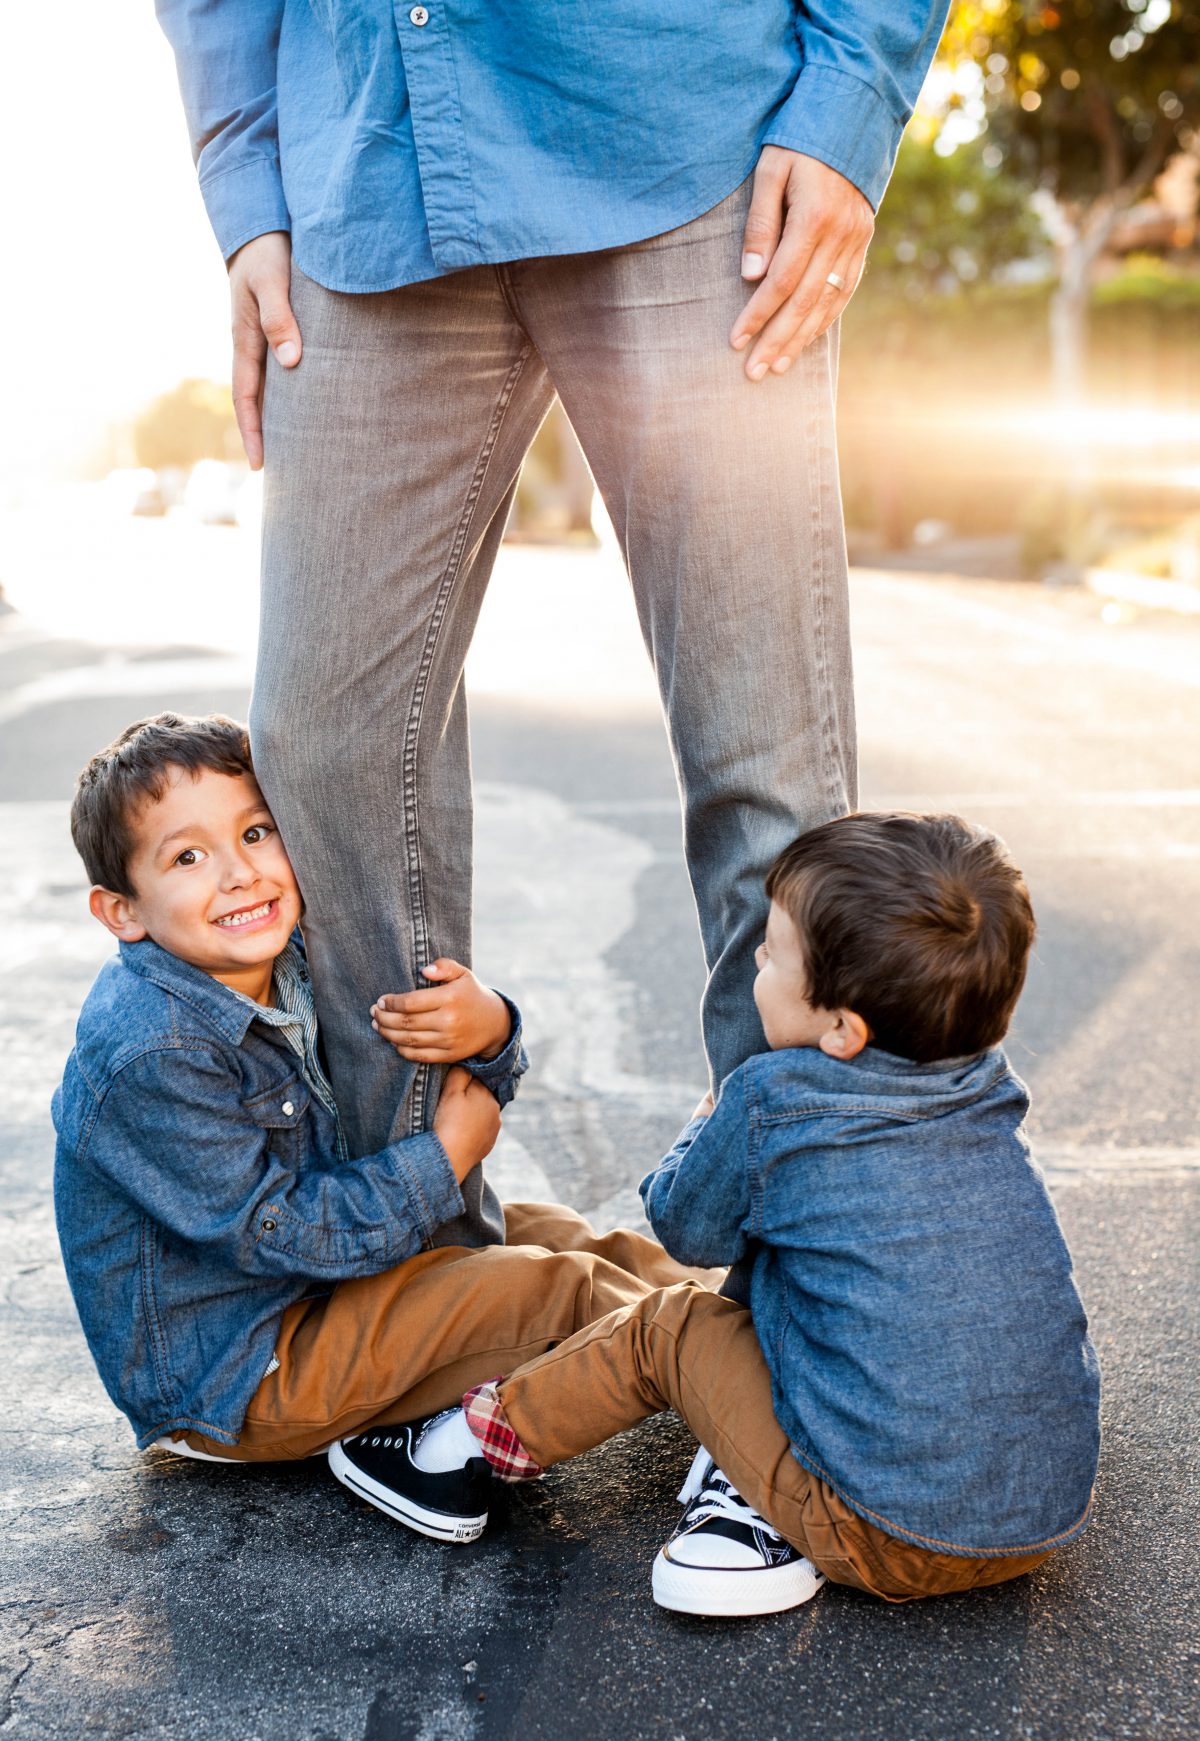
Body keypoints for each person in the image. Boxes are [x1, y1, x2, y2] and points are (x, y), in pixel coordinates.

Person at [155, 0, 953, 1246]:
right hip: (366, 176)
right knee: (325, 752)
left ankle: (803, 1301)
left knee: (767, 769)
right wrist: (244, 178)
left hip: (688, 141)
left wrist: (850, 102)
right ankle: (422, 1278)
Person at [331, 814, 1102, 1613]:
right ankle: (767, 1469)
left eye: (775, 952)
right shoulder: (985, 1089)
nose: (758, 959)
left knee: (669, 1326)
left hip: (885, 1533)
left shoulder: (774, 1100)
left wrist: (706, 1125)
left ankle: (456, 1453)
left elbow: (687, 1230)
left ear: (842, 1029)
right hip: (1044, 1513)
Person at [51, 713, 715, 1514]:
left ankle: (749, 1319)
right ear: (122, 911)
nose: (238, 873)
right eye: (188, 857)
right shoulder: (152, 1049)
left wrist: (491, 1029)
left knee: (556, 1233)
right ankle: (738, 1391)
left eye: (257, 832)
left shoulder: (289, 954)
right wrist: (442, 1163)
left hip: (327, 1288)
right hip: (246, 1376)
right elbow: (273, 1231)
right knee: (551, 1286)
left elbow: (432, 1102)